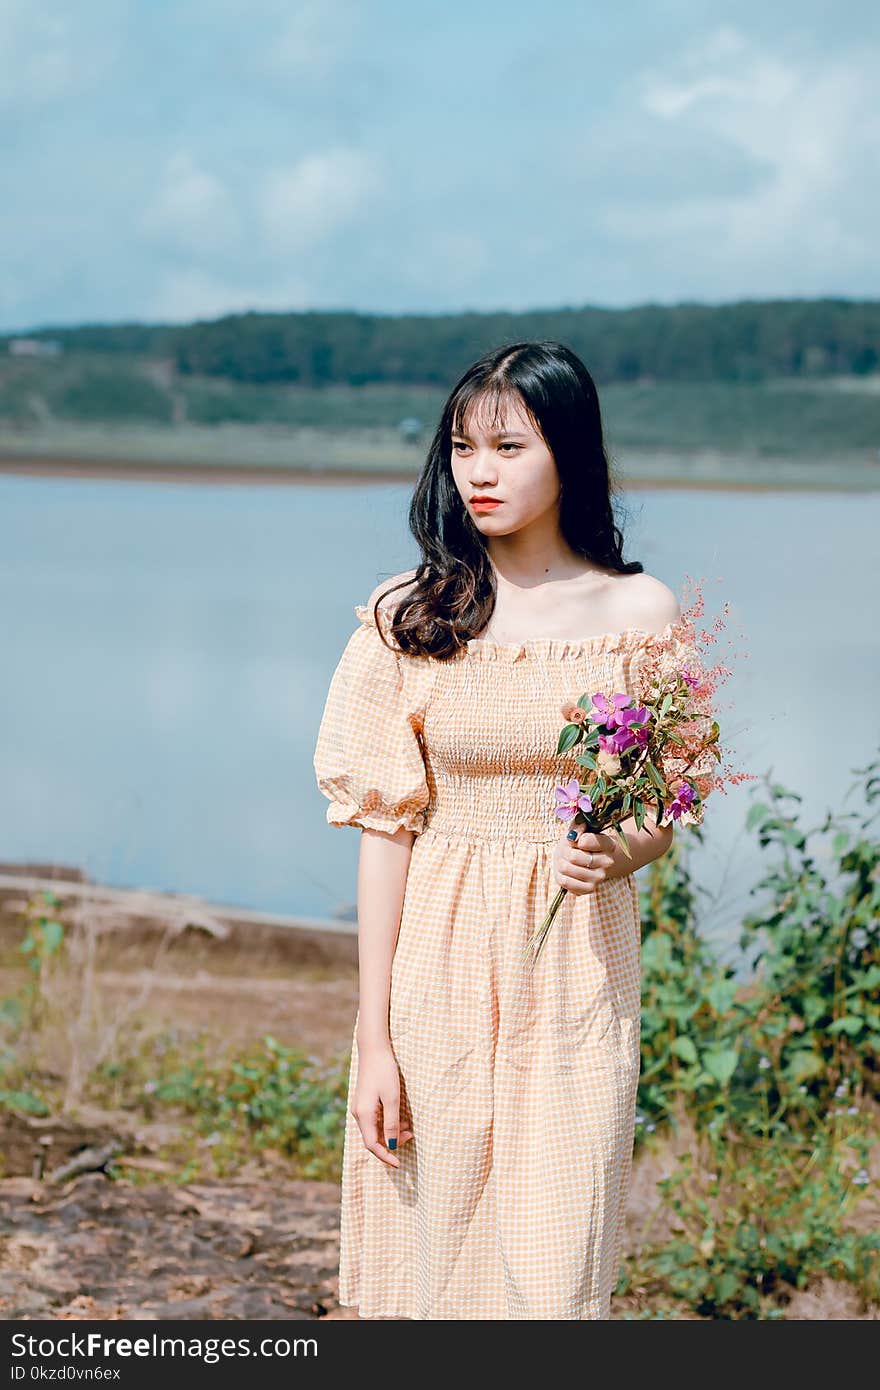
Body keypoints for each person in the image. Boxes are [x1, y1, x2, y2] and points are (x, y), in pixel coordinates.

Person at [313, 339, 697, 1320]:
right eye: (460, 447)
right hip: (435, 961)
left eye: (507, 446)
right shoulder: (409, 614)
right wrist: (373, 1039)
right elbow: (383, 830)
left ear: (568, 452)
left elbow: (671, 795)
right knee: (435, 1241)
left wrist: (624, 845)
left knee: (552, 1259)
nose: (477, 472)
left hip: (575, 962)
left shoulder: (637, 612)